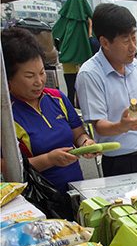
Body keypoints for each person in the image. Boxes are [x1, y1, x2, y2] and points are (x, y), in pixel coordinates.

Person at [2, 27, 96, 193]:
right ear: (7, 78)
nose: (39, 81)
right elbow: (7, 168)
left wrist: (86, 143)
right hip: (39, 197)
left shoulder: (57, 98)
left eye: (41, 72)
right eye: (29, 76)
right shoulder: (6, 116)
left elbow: (78, 135)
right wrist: (49, 159)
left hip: (76, 190)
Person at [76, 3, 137, 178]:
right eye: (125, 40)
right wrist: (122, 126)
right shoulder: (90, 74)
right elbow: (99, 126)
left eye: (134, 38)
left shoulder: (136, 66)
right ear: (105, 42)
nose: (133, 47)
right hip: (120, 162)